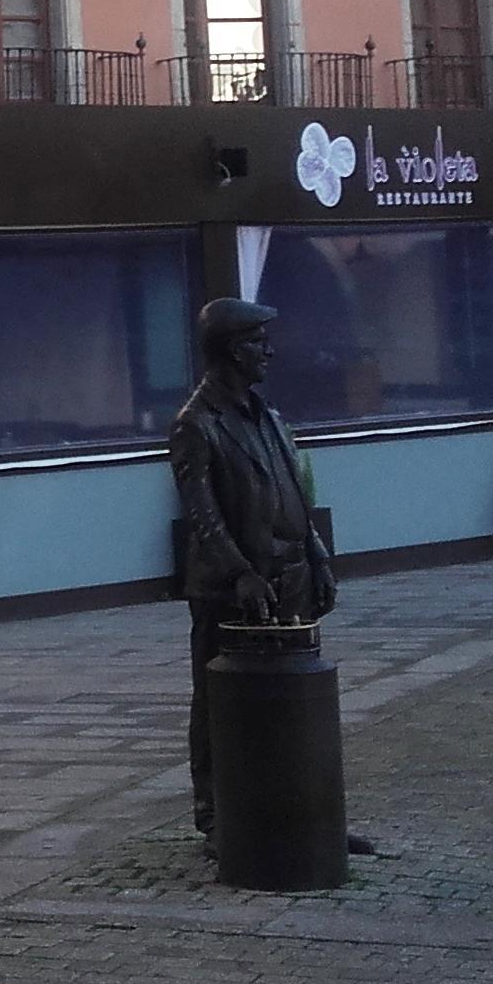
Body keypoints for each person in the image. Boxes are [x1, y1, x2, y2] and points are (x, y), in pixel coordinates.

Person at [168, 296, 340, 841]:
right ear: (229, 350)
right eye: (257, 342)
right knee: (220, 702)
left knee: (292, 704)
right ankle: (218, 817)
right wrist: (240, 572)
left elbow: (294, 492)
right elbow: (202, 514)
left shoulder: (269, 416)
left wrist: (317, 554)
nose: (270, 351)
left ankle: (297, 813)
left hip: (289, 579)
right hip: (235, 589)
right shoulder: (197, 423)